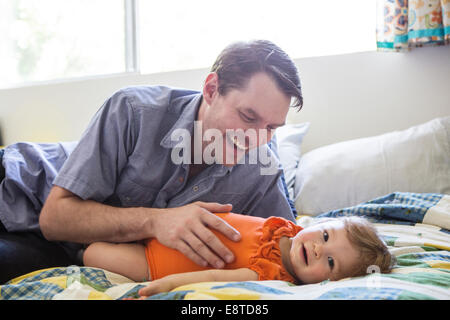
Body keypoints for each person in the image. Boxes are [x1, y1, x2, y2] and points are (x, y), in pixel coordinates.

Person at [0, 40, 303, 283]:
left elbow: (295, 247)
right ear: (211, 90)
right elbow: (55, 219)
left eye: (271, 127)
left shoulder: (262, 169)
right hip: (20, 189)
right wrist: (157, 221)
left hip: (65, 248)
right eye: (248, 117)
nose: (256, 138)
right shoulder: (135, 110)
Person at [82, 214, 395, 298]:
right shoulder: (286, 228)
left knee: (92, 253)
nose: (317, 249)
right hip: (170, 226)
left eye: (330, 262)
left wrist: (168, 283)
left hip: (154, 263)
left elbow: (215, 277)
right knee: (111, 223)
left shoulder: (271, 275)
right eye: (325, 236)